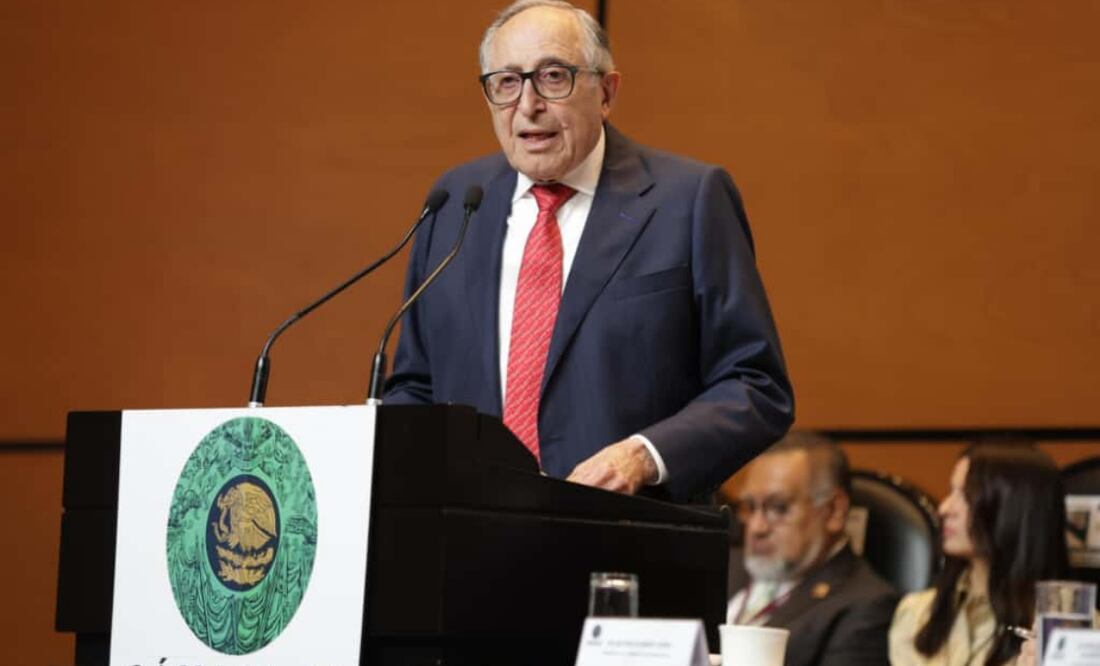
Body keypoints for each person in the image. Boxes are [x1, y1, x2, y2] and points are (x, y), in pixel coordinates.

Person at [383, 0, 794, 502]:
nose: (528, 105)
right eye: (506, 82)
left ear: (606, 92)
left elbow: (756, 385)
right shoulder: (455, 203)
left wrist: (644, 456)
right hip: (472, 531)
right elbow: (414, 387)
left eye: (553, 77)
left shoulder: (687, 201)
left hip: (628, 528)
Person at [889, 443, 1069, 665]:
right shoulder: (916, 613)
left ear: (1013, 509)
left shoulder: (1071, 628)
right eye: (951, 492)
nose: (944, 509)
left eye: (965, 495)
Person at [727, 432, 898, 665]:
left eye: (778, 508)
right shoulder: (723, 567)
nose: (757, 527)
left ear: (834, 511)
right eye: (750, 507)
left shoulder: (865, 608)